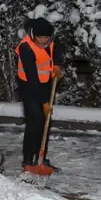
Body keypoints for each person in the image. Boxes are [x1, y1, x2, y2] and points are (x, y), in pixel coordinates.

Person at [15, 17, 64, 174]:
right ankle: (29, 160)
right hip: (29, 86)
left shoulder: (51, 41)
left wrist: (57, 64)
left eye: (46, 38)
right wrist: (44, 102)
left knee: (45, 122)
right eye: (40, 38)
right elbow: (32, 78)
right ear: (34, 35)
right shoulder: (26, 48)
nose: (43, 41)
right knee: (34, 122)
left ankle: (41, 158)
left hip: (46, 84)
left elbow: (57, 49)